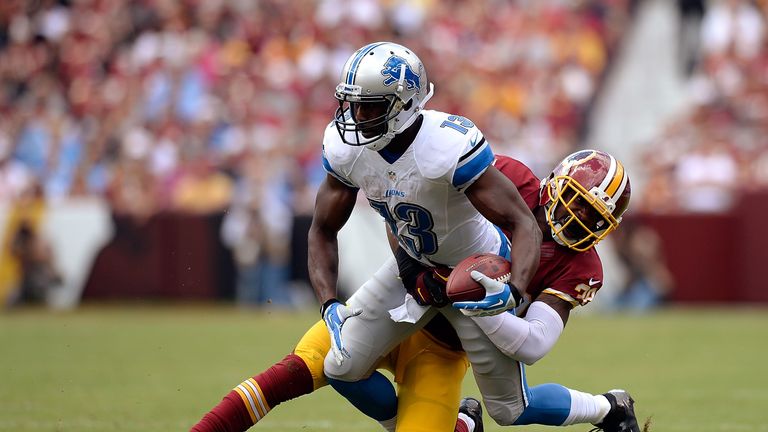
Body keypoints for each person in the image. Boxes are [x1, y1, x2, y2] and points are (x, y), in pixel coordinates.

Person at [190, 152, 641, 432]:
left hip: (447, 346)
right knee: (313, 366)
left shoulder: (580, 265)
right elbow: (408, 210)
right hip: (400, 296)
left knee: (509, 410)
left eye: (593, 216)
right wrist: (415, 271)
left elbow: (536, 342)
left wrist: (479, 302)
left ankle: (604, 408)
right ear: (556, 179)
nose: (579, 217)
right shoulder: (508, 178)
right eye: (578, 201)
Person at [310, 41, 541, 431]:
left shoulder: (445, 146)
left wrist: (514, 289)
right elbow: (322, 228)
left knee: (509, 410)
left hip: (474, 277)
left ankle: (608, 408)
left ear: (405, 104)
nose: (357, 117)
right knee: (341, 365)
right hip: (413, 266)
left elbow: (523, 222)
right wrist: (329, 302)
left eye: (371, 106)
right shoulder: (347, 149)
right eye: (354, 104)